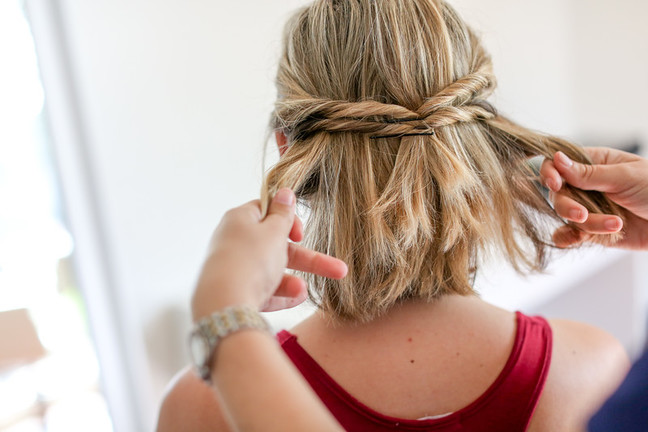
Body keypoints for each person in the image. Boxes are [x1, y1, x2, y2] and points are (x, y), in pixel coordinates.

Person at [158, 1, 635, 430]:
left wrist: (222, 314)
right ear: (476, 143)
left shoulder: (206, 407)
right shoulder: (592, 370)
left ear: (289, 153)